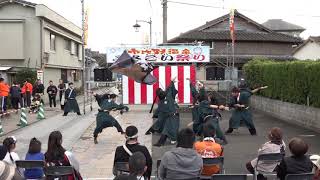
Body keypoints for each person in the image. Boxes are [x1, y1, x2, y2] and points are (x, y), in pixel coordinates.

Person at [153, 78, 180, 147]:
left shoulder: (161, 103)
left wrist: (171, 82)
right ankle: (168, 140)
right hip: (173, 116)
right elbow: (168, 90)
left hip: (173, 116)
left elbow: (168, 90)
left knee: (172, 128)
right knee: (168, 128)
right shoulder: (168, 97)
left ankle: (173, 139)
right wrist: (171, 82)